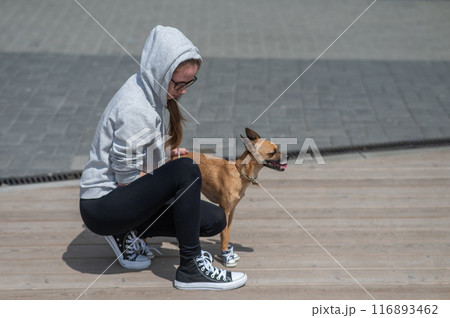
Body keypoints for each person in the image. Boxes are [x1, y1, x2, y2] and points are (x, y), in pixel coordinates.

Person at [79, 25, 247, 290]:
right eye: (178, 83)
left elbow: (135, 158)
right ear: (160, 73)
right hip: (103, 206)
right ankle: (190, 268)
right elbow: (126, 181)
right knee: (187, 170)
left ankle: (128, 231)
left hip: (120, 200)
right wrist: (171, 172)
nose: (183, 91)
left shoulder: (148, 91)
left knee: (215, 219)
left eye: (189, 82)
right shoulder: (136, 108)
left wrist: (163, 157)